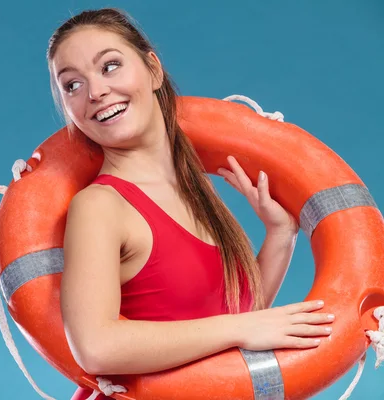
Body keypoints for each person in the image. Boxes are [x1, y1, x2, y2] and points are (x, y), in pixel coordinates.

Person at [46, 8, 334, 400]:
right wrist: (241, 329)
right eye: (72, 85)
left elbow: (231, 318)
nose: (95, 91)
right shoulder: (99, 206)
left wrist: (281, 234)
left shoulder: (195, 189)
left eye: (109, 66)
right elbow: (95, 346)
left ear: (153, 70)